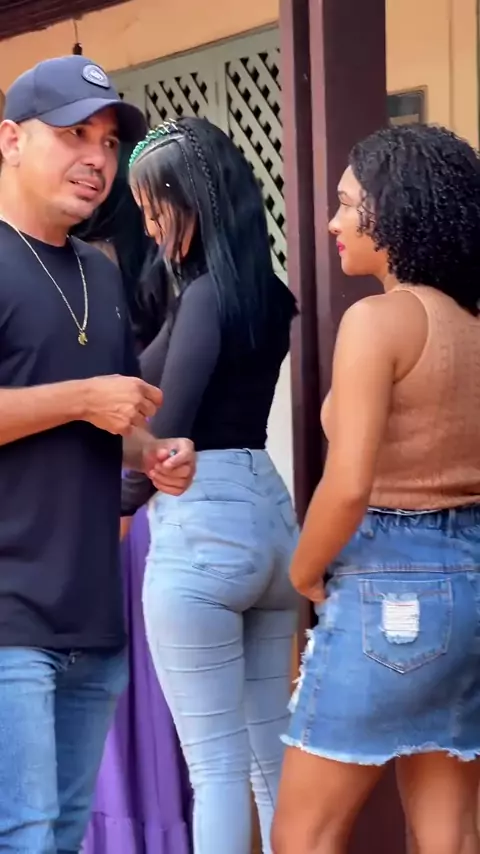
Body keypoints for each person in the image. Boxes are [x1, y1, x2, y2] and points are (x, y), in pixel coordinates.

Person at [0, 56, 195, 853]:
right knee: (23, 836)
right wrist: (83, 398)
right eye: (74, 134)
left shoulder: (100, 272)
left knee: (60, 837)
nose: (97, 159)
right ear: (11, 140)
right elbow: (86, 399)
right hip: (8, 614)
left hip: (92, 614)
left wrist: (153, 450)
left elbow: (113, 420)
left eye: (109, 143)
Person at [272, 123, 480, 854]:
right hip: (471, 583)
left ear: (396, 208)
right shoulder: (471, 325)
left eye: (346, 203)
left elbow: (349, 482)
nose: (333, 222)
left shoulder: (378, 321)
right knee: (450, 835)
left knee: (303, 836)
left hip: (389, 587)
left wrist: (303, 571)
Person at [121, 116, 300, 854]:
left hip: (204, 525)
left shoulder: (203, 298)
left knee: (216, 767)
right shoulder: (269, 294)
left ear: (192, 199)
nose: (149, 224)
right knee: (271, 756)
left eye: (154, 206)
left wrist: (120, 508)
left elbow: (169, 430)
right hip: (270, 519)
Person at [75, 159, 192, 854]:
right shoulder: (159, 281)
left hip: (114, 518)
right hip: (136, 516)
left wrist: (118, 509)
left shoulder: (89, 271)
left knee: (112, 716)